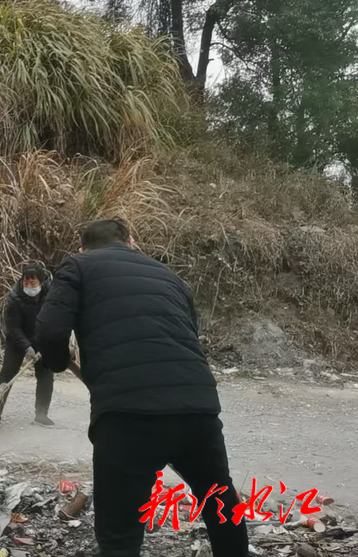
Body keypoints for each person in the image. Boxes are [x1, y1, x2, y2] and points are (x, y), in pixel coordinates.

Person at [34, 219, 248, 557]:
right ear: (131, 242)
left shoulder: (78, 265)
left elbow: (49, 331)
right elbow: (189, 330)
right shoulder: (168, 275)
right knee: (220, 500)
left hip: (127, 414)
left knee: (120, 531)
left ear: (83, 248)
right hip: (197, 407)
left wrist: (58, 361)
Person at [0, 262, 55, 427]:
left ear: (41, 282)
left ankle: (41, 415)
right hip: (17, 340)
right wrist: (27, 347)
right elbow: (12, 328)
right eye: (25, 282)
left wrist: (48, 343)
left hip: (42, 338)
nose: (28, 286)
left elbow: (55, 319)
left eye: (33, 282)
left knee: (46, 375)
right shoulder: (14, 298)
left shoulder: (51, 295)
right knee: (7, 374)